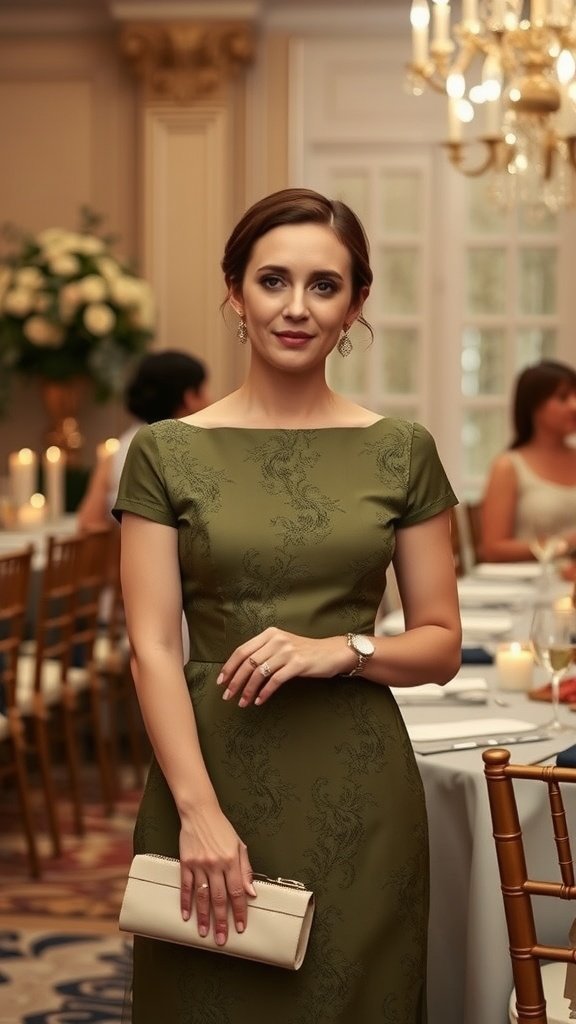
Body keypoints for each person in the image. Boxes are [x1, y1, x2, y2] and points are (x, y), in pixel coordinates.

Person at [113, 187, 462, 1023]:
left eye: (324, 286)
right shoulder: (164, 453)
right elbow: (153, 646)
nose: (296, 308)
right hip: (207, 770)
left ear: (356, 305)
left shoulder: (402, 451)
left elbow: (442, 644)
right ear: (234, 291)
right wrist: (198, 814)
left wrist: (344, 648)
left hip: (359, 785)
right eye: (273, 281)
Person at [77, 350, 209, 532]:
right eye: (202, 391)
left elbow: (88, 522)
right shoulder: (190, 449)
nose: (209, 400)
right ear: (189, 398)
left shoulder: (119, 450)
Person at [480, 359, 576, 566]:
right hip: (532, 588)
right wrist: (563, 544)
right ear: (533, 405)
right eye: (562, 397)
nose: (574, 405)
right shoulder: (508, 467)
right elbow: (493, 549)